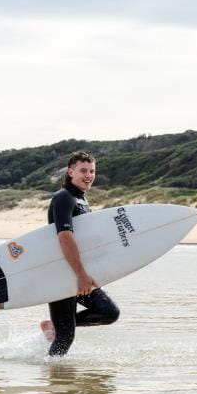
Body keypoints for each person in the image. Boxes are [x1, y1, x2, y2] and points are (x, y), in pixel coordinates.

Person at [40, 151, 120, 356]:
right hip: (62, 272)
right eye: (83, 170)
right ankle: (56, 384)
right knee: (65, 338)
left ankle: (53, 325)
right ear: (70, 172)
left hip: (78, 271)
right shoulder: (63, 198)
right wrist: (81, 275)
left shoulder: (81, 199)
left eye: (92, 171)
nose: (89, 175)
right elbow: (65, 238)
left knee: (109, 313)